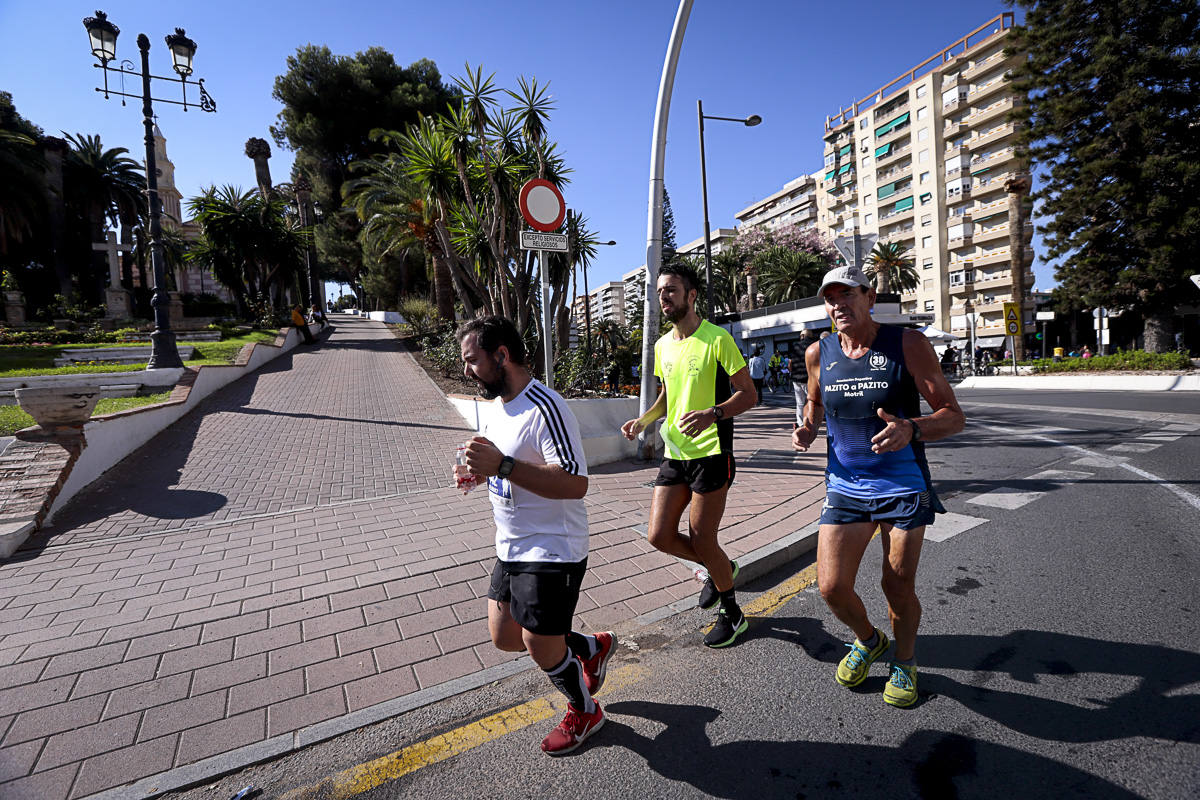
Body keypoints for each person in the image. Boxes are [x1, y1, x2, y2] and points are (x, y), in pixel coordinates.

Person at [792, 265, 964, 708]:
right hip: (846, 486)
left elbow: (952, 414)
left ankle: (904, 661)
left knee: (897, 585)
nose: (838, 304)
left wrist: (912, 427)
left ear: (869, 297)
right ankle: (869, 640)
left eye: (847, 295)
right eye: (830, 298)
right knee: (830, 587)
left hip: (903, 485)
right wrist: (808, 427)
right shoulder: (819, 352)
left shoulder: (906, 343)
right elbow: (814, 399)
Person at [456, 316, 615, 755]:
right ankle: (589, 646)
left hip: (553, 546)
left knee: (538, 644)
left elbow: (574, 481)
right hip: (509, 543)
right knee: (506, 636)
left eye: (473, 361)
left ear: (501, 356)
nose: (468, 370)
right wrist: (475, 474)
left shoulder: (547, 405)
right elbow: (499, 466)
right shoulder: (496, 407)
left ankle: (586, 710)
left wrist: (503, 466)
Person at [620, 264, 757, 647]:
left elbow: (748, 394)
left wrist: (713, 413)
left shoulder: (717, 339)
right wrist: (643, 421)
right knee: (659, 535)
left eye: (672, 290)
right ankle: (721, 569)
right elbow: (669, 397)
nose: (664, 297)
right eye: (661, 291)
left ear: (691, 295)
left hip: (712, 453)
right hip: (675, 454)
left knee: (703, 539)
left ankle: (732, 612)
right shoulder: (663, 346)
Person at [790, 333, 818, 425]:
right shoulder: (814, 345)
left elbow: (790, 363)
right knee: (813, 400)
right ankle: (812, 421)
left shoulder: (795, 346)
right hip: (808, 378)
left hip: (796, 379)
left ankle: (800, 422)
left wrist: (792, 372)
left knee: (800, 402)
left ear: (802, 336)